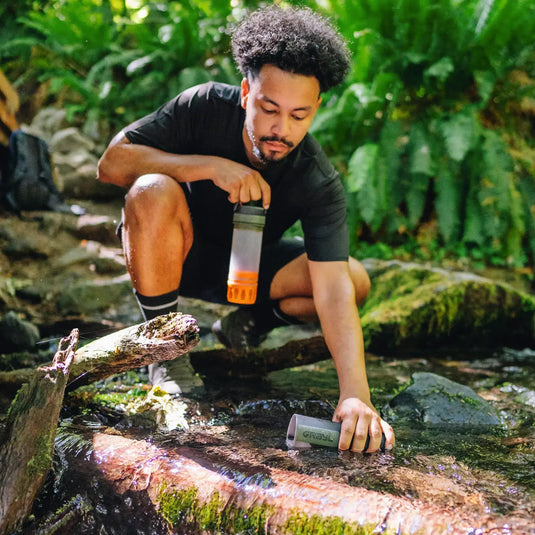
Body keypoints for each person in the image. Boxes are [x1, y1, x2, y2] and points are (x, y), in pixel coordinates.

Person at [97, 5, 395, 453]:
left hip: (248, 275)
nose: (281, 129)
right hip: (175, 252)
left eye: (299, 116)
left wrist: (356, 395)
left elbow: (332, 289)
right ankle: (164, 353)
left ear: (317, 108)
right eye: (269, 108)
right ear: (244, 93)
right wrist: (208, 167)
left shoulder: (317, 177)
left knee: (354, 278)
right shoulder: (201, 107)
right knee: (151, 188)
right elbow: (110, 164)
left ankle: (245, 324)